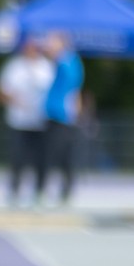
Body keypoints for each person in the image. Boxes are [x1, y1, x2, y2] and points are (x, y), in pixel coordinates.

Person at [0, 36, 54, 205]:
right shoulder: (14, 67)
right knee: (17, 158)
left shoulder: (46, 67)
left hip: (41, 121)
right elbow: (1, 92)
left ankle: (39, 192)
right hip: (19, 121)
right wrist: (14, 100)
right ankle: (14, 191)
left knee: (41, 159)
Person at [41, 33, 84, 204]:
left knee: (54, 154)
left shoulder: (66, 61)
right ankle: (63, 190)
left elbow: (73, 87)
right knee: (62, 155)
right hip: (61, 114)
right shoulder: (70, 61)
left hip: (60, 115)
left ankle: (49, 190)